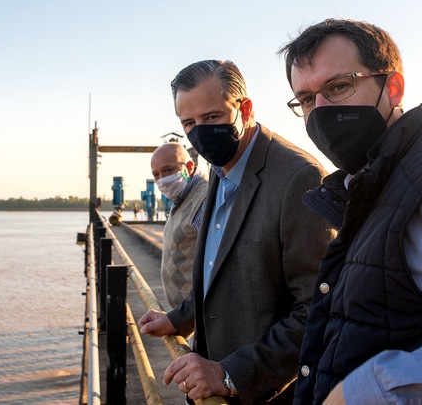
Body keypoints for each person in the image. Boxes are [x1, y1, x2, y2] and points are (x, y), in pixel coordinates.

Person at [277, 18, 422, 405]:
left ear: (392, 88)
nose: (321, 111)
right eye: (308, 99)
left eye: (338, 87)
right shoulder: (372, 188)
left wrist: (375, 388)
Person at [138, 59, 335, 404]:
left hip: (263, 393)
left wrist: (230, 374)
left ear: (245, 109)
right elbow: (218, 268)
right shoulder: (219, 168)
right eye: (189, 123)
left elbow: (316, 309)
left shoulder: (298, 178)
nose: (200, 132)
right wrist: (179, 319)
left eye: (212, 118)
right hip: (204, 383)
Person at [151, 142, 209, 309]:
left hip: (200, 313)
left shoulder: (205, 199)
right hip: (186, 317)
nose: (162, 179)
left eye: (168, 170)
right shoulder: (181, 196)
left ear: (189, 167)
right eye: (156, 174)